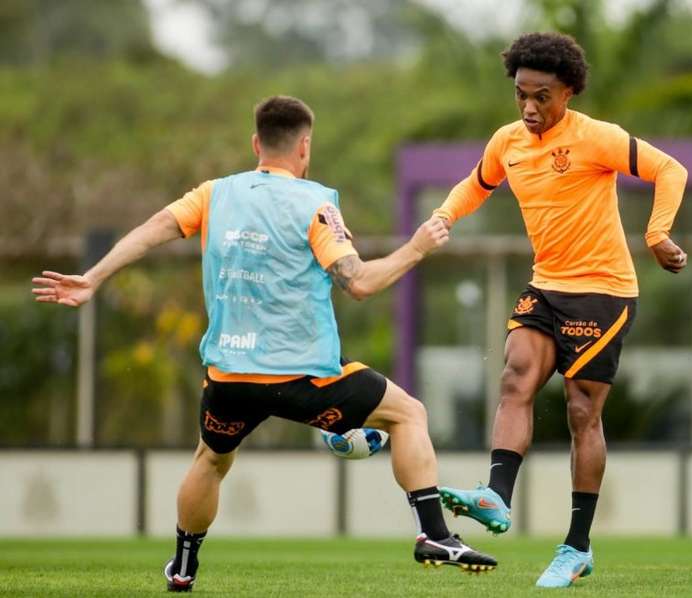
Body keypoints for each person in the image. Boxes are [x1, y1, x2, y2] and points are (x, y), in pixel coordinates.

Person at [32, 95, 496, 592]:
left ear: (256, 143)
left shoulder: (214, 194)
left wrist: (94, 277)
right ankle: (435, 534)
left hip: (230, 377)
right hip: (306, 377)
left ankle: (183, 566)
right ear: (305, 147)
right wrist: (416, 247)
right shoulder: (315, 203)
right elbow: (358, 282)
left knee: (210, 459)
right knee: (408, 414)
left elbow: (151, 231)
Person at [433, 33, 688, 588]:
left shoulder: (596, 137)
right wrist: (444, 218)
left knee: (580, 412)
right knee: (515, 376)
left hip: (603, 290)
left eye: (542, 96)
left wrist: (658, 232)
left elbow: (672, 170)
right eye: (521, 94)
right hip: (546, 285)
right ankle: (497, 497)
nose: (529, 107)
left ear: (568, 91)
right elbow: (476, 185)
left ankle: (577, 545)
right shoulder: (509, 141)